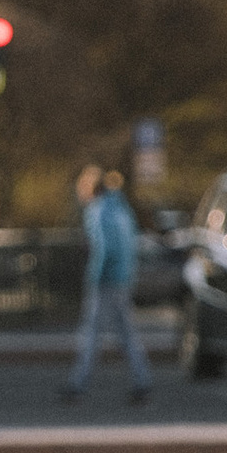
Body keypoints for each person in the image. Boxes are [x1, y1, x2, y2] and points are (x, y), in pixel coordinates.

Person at [62, 161, 151, 403]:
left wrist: (94, 277)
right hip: (123, 277)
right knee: (126, 333)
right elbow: (131, 243)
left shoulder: (97, 211)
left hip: (106, 280)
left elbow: (104, 248)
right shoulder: (122, 208)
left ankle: (78, 383)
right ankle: (142, 380)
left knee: (91, 333)